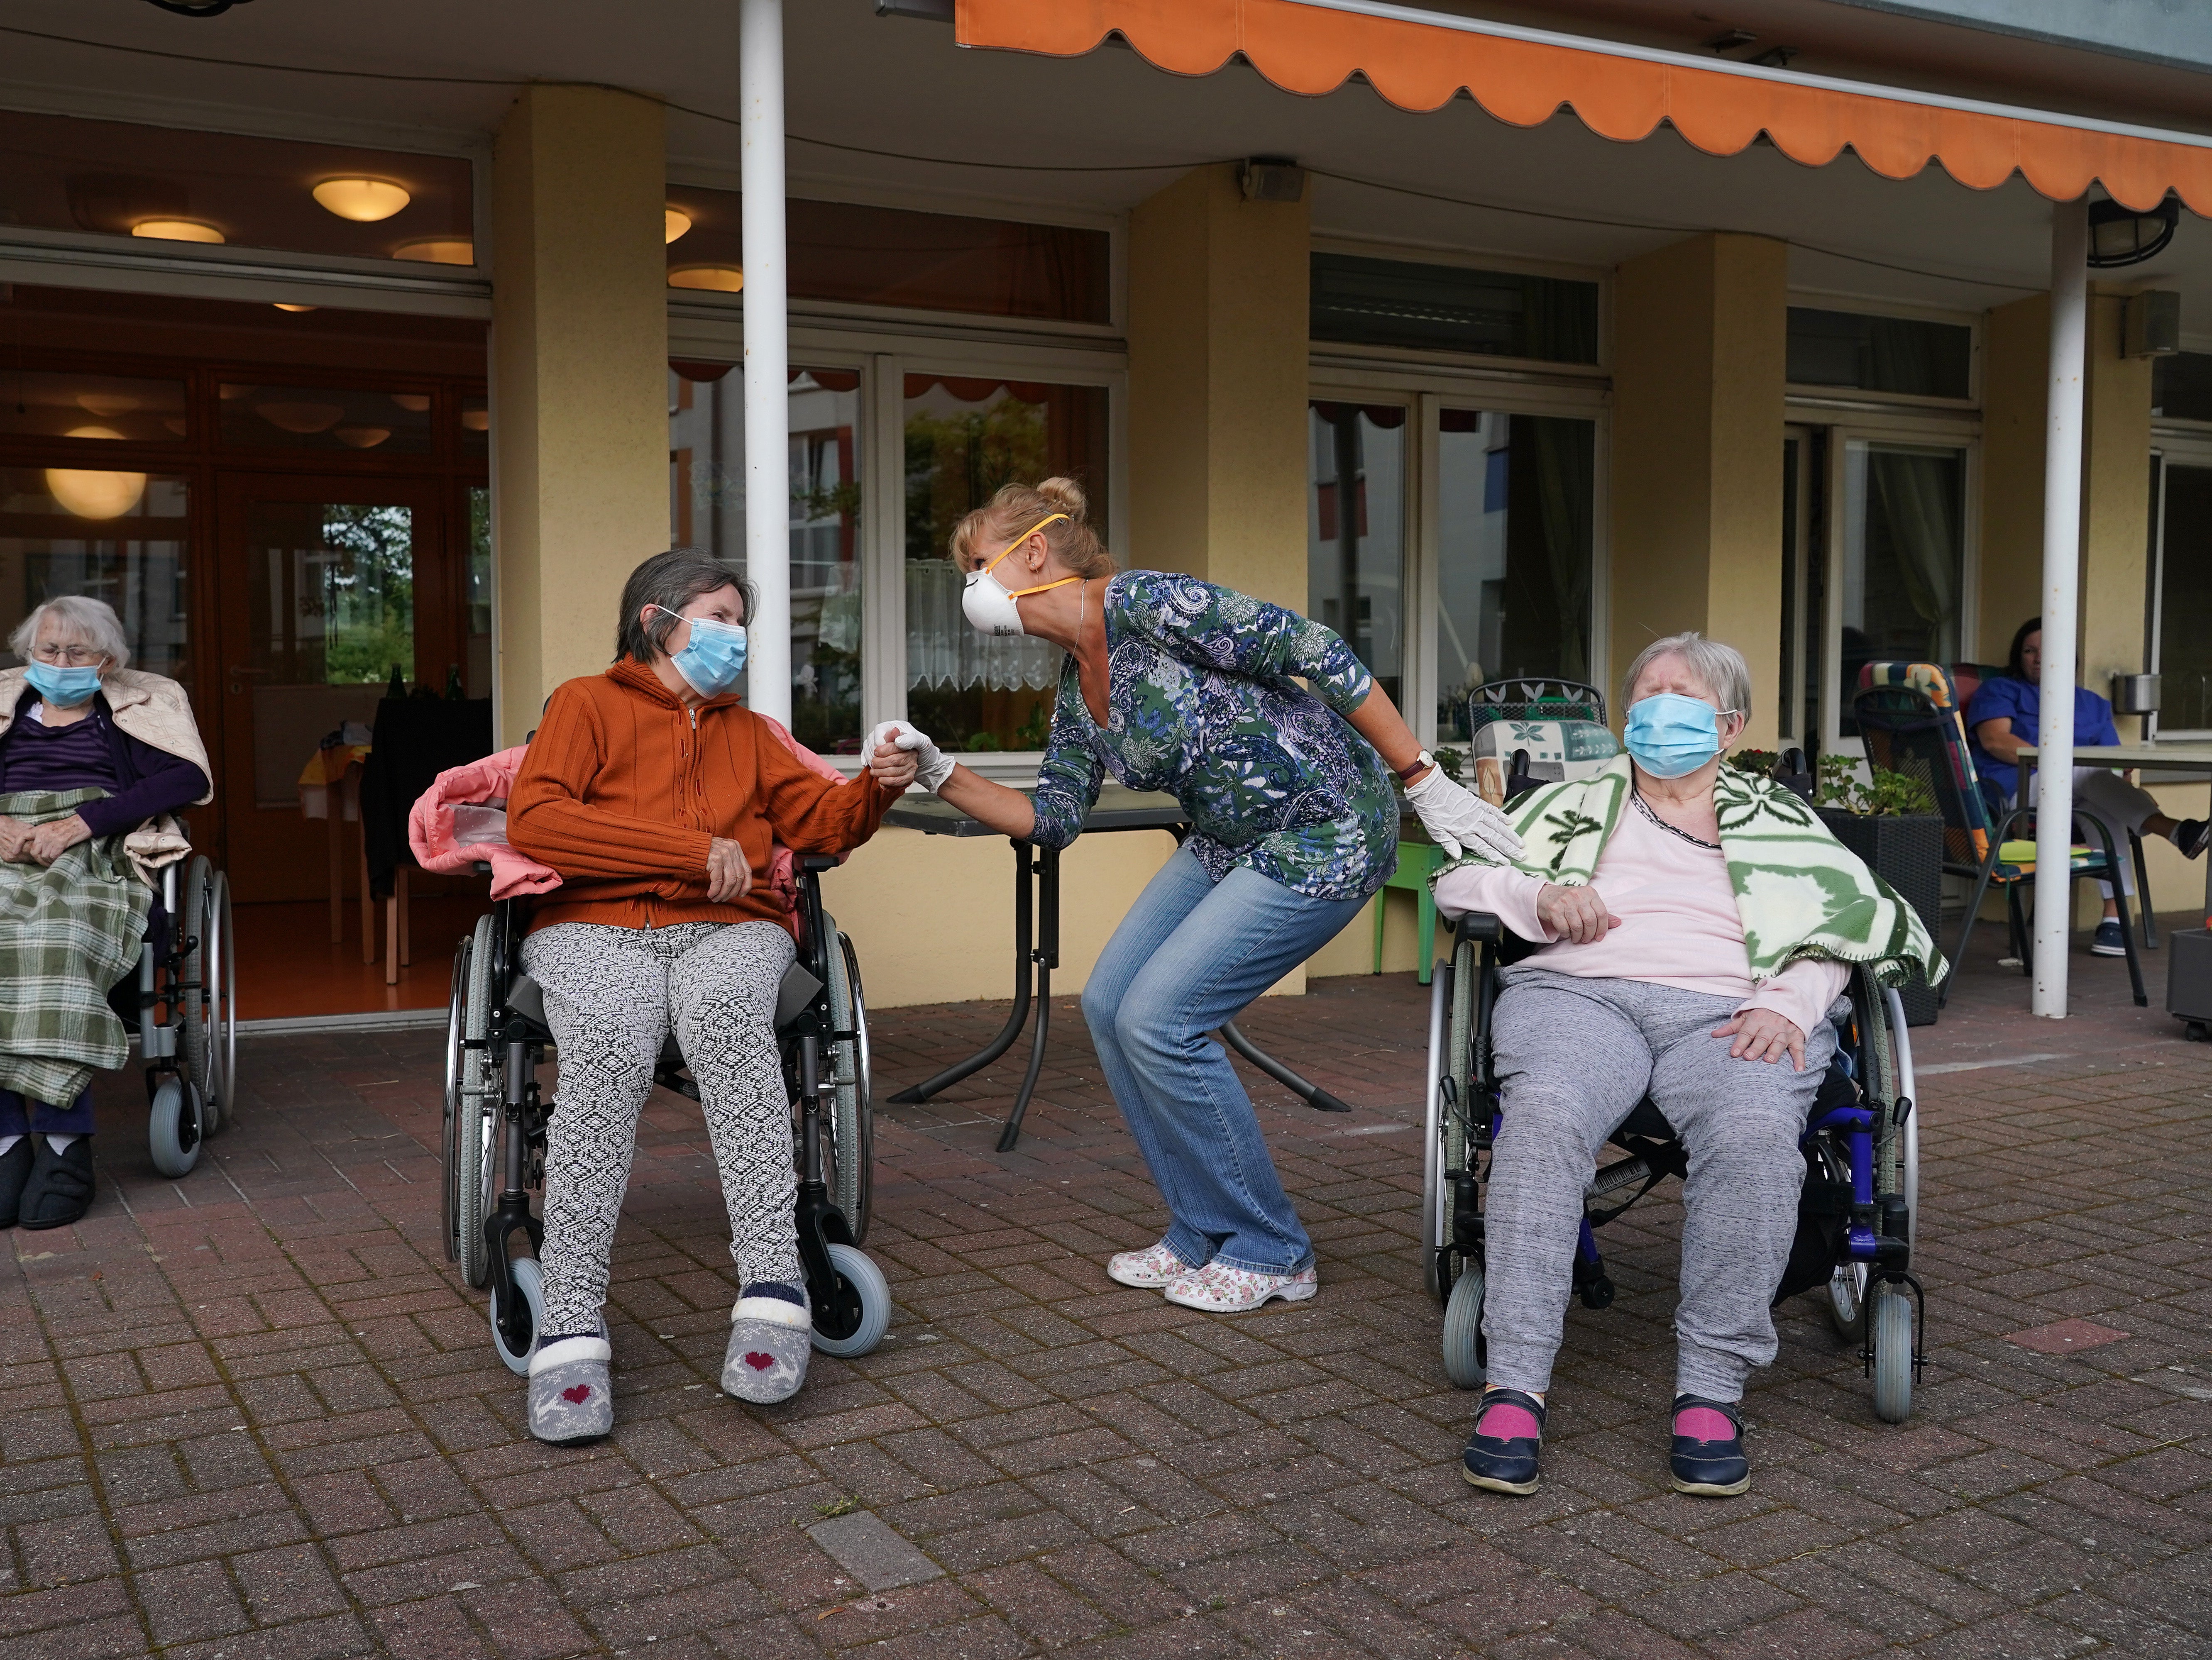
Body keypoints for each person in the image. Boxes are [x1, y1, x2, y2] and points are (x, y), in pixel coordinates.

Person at [873, 477, 1522, 1316]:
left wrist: (1422, 777)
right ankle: (1199, 1227)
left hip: (1324, 828)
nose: (971, 589)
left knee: (1162, 1019)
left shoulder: (1147, 603)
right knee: (1111, 1002)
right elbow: (1052, 819)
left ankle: (1273, 1246)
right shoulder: (1078, 683)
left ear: (1032, 551)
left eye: (976, 564)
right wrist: (938, 769)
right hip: (1232, 838)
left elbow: (1315, 647)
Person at [1432, 633, 1939, 1499]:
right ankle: (1514, 1381)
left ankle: (1711, 1387)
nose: (1659, 706)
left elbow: (1854, 926)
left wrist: (1794, 999)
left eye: (1683, 693)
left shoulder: (1780, 817)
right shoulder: (1574, 802)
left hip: (1733, 1010)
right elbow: (1461, 878)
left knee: (1751, 1133)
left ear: (1730, 724)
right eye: (1647, 691)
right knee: (1545, 1115)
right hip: (1581, 995)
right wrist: (1537, 894)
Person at [504, 548, 917, 1444]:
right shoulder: (585, 703)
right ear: (658, 619)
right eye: (720, 616)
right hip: (592, 926)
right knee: (611, 1037)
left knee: (731, 1025)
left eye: (741, 621)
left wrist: (874, 790)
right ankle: (571, 1316)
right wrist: (687, 850)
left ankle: (774, 1287)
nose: (737, 637)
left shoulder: (751, 732)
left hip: (731, 928)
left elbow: (822, 823)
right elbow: (538, 818)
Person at [0, 596, 212, 1232]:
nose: (61, 662)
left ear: (107, 662)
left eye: (77, 652)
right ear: (30, 654)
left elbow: (184, 781)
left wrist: (83, 823)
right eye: (49, 650)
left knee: (57, 940)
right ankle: (2, 1149)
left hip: (92, 847)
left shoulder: (134, 712)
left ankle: (65, 1149)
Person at [1962, 616, 2205, 957]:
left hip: (2081, 793)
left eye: (2045, 652)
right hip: (2016, 792)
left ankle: (2114, 922)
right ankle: (2176, 831)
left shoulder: (2093, 704)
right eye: (2029, 651)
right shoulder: (2001, 690)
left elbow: (2115, 766)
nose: (2036, 658)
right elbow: (1995, 741)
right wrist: (2064, 764)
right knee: (2083, 772)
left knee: (2098, 803)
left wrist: (2123, 785)